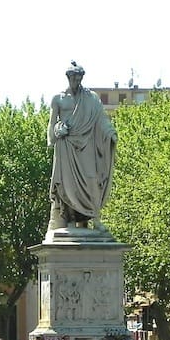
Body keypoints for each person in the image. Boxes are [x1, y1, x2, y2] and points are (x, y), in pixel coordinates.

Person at [47, 61, 117, 231]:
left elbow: (101, 118)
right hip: (66, 146)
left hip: (86, 145)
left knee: (91, 180)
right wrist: (53, 136)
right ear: (68, 78)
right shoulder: (59, 98)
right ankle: (69, 219)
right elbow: (52, 122)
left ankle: (96, 219)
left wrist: (110, 133)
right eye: (74, 78)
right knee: (66, 184)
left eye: (79, 78)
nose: (77, 82)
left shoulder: (91, 98)